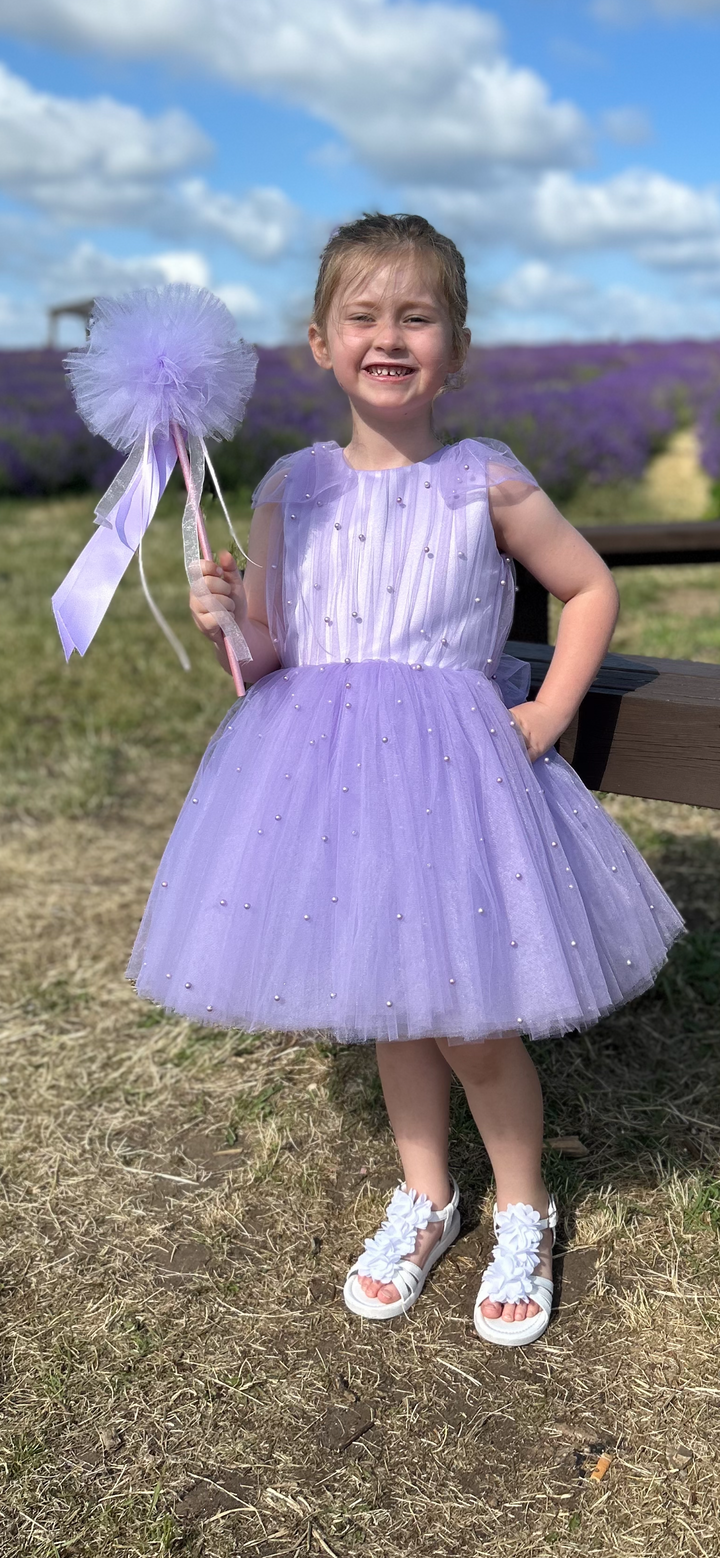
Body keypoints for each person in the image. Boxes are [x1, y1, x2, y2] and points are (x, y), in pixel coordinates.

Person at [128, 213, 684, 1347]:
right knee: (388, 996)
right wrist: (230, 619)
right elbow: (272, 658)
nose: (390, 336)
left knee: (473, 1014)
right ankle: (426, 1195)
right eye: (364, 317)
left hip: (452, 776)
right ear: (322, 344)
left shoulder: (484, 479)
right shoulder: (292, 483)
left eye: (415, 317)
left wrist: (549, 706)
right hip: (328, 773)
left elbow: (587, 590)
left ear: (456, 348)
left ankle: (523, 1204)